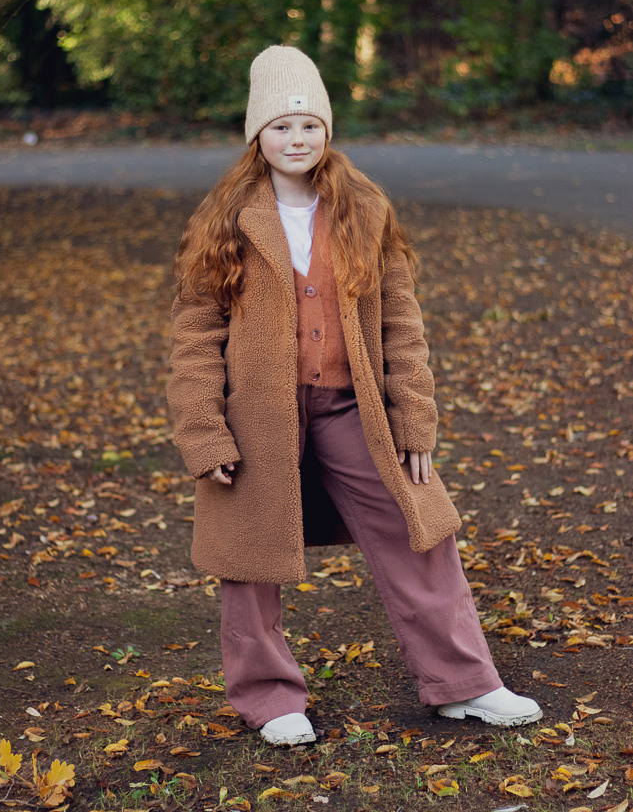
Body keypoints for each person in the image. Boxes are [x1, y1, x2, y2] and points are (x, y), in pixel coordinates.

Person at [167, 45, 542, 746]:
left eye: (309, 125)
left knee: (420, 528)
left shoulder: (363, 209)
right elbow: (195, 334)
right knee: (247, 555)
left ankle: (464, 683)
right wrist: (204, 431)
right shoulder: (227, 219)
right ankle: (268, 697)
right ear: (257, 135)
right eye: (281, 126)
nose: (297, 139)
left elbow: (401, 322)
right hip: (257, 416)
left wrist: (414, 419)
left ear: (327, 130)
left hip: (351, 407)